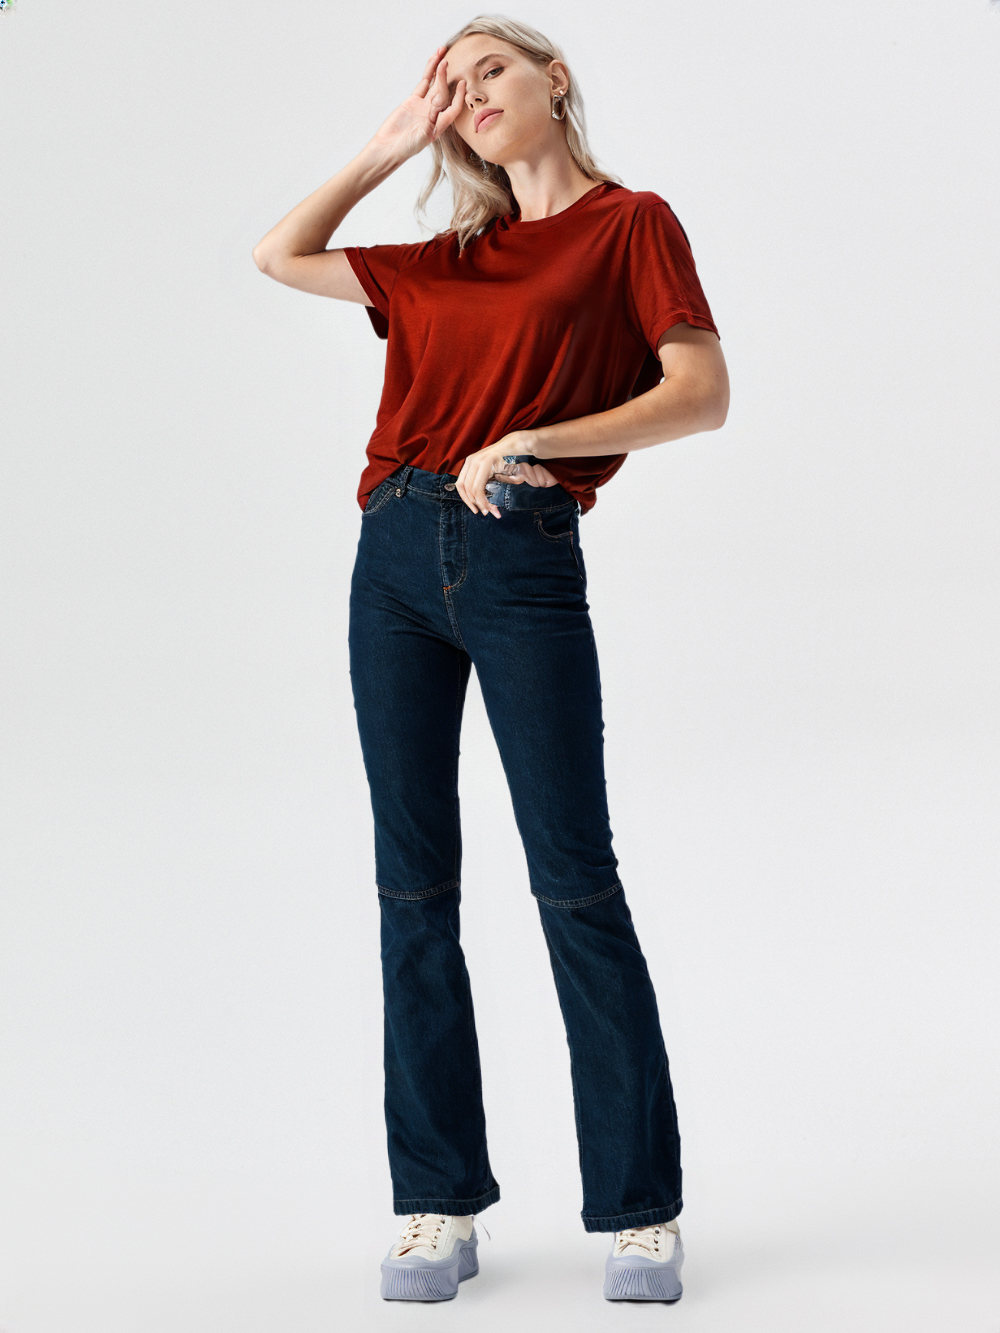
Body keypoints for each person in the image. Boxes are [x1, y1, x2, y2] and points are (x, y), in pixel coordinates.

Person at [253, 14, 729, 1304]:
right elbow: (279, 254)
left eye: (487, 73)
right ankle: (434, 1206)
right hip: (394, 554)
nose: (468, 100)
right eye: (448, 90)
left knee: (576, 879)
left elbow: (701, 392)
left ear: (553, 75)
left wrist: (537, 437)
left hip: (519, 550)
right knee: (413, 890)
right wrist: (389, 141)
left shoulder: (631, 224)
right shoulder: (445, 255)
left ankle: (639, 1209)